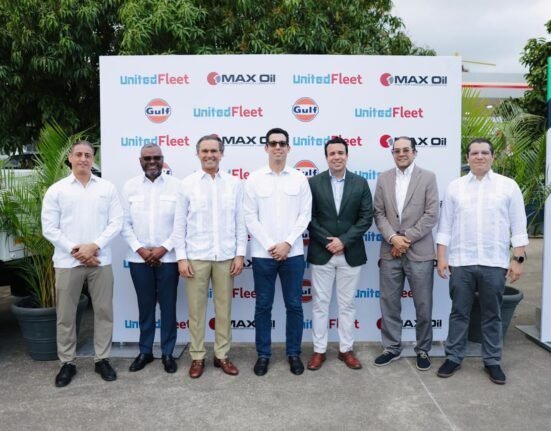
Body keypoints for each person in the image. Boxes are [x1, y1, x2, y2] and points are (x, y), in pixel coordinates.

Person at [436, 138, 528, 385]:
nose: (479, 157)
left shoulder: (508, 186)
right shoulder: (455, 187)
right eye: (474, 153)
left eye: (484, 153)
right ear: (467, 158)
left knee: (492, 315)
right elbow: (445, 226)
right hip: (461, 262)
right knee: (459, 313)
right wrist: (441, 257)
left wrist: (518, 259)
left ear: (493, 157)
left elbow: (519, 226)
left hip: (494, 262)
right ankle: (453, 357)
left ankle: (492, 361)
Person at [42, 140, 123, 387]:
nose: (83, 159)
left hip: (100, 260)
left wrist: (94, 246)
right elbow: (49, 228)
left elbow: (116, 222)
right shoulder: (57, 190)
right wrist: (76, 250)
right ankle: (67, 363)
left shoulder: (107, 188)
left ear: (93, 158)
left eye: (88, 155)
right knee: (65, 315)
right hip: (67, 262)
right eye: (79, 154)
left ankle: (102, 359)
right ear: (70, 158)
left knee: (104, 312)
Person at [174, 134, 247, 378]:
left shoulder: (234, 184)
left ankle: (222, 355)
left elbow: (240, 222)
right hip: (196, 256)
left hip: (226, 256)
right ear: (198, 154)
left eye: (214, 151)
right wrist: (181, 258)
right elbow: (179, 224)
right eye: (205, 151)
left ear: (221, 154)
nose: (209, 155)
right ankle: (197, 356)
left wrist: (240, 254)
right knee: (196, 311)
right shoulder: (187, 184)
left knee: (224, 309)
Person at [244, 127, 312, 376]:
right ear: (266, 147)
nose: (277, 147)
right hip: (263, 255)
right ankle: (263, 354)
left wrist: (287, 243)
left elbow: (305, 215)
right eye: (273, 143)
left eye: (282, 143)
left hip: (292, 254)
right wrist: (271, 245)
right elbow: (250, 217)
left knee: (294, 305)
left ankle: (294, 353)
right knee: (263, 306)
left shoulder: (299, 178)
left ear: (288, 147)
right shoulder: (254, 179)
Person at [306, 136, 373, 371]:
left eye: (340, 153)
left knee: (347, 305)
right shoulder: (314, 183)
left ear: (347, 155)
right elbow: (309, 217)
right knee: (320, 304)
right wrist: (330, 242)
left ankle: (346, 350)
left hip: (350, 253)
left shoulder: (360, 183)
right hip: (322, 252)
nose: (336, 157)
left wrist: (343, 241)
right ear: (326, 157)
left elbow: (366, 217)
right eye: (332, 153)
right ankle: (319, 350)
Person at [373, 136, 439, 370]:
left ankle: (423, 349)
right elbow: (378, 213)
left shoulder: (428, 177)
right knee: (389, 303)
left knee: (423, 304)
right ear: (392, 153)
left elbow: (431, 214)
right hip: (390, 251)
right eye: (397, 150)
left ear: (414, 152)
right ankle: (392, 348)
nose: (401, 154)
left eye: (405, 150)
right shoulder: (383, 178)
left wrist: (405, 239)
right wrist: (393, 238)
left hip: (419, 252)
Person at [121, 144, 180, 374]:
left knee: (168, 307)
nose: (152, 162)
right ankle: (145, 351)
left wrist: (164, 248)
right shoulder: (130, 187)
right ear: (140, 161)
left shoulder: (177, 186)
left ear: (163, 159)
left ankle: (167, 353)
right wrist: (141, 250)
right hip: (139, 259)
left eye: (156, 157)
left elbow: (181, 224)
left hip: (169, 258)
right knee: (145, 307)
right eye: (147, 158)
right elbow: (124, 224)